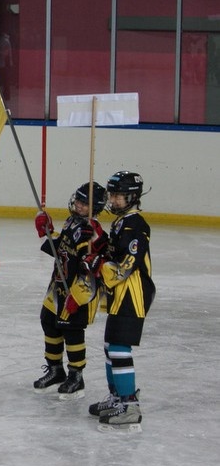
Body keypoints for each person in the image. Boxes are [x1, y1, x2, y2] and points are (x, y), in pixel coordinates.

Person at [83, 171, 155, 430]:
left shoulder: (136, 224)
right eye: (112, 195)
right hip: (119, 294)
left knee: (119, 348)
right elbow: (115, 250)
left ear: (132, 197)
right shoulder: (121, 222)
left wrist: (99, 265)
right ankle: (117, 398)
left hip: (132, 293)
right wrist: (98, 238)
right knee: (109, 347)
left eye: (118, 196)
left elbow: (127, 263)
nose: (112, 200)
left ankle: (129, 405)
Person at [32, 182, 107, 400]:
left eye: (85, 203)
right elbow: (62, 248)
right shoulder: (72, 221)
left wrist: (79, 296)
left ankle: (76, 376)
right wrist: (47, 230)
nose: (79, 205)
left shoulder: (92, 232)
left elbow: (93, 267)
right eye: (78, 200)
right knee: (48, 322)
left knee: (72, 331)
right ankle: (55, 370)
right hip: (58, 286)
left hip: (77, 290)